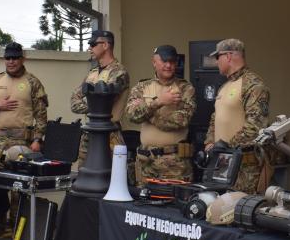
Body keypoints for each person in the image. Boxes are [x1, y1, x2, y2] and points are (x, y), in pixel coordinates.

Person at [204, 38, 270, 194]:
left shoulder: (253, 85)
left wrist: (225, 146)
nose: (216, 62)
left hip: (244, 168)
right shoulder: (225, 86)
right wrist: (210, 142)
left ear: (228, 56)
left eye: (217, 57)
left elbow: (255, 126)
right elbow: (215, 118)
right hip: (222, 163)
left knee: (237, 212)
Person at [126, 45, 196, 183]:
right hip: (145, 161)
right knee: (143, 202)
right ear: (154, 62)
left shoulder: (185, 88)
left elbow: (181, 120)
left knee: (173, 201)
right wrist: (158, 102)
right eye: (164, 61)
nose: (168, 65)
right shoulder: (142, 87)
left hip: (173, 163)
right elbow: (131, 115)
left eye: (172, 61)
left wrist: (147, 113)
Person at [0, 42, 48, 169]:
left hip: (23, 142)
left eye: (15, 58)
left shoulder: (33, 82)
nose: (11, 61)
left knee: (19, 181)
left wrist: (37, 140)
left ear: (22, 59)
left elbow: (41, 115)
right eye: (8, 58)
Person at [69, 29, 130, 165]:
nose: (90, 48)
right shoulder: (93, 73)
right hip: (89, 132)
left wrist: (91, 105)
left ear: (106, 45)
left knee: (109, 178)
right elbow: (74, 100)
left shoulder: (119, 72)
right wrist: (92, 106)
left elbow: (105, 100)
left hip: (109, 134)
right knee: (84, 176)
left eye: (93, 44)